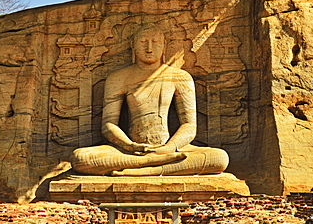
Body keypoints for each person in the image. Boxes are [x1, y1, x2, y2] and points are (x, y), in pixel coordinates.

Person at [71, 24, 229, 176]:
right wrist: (130, 146)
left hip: (169, 148)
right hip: (130, 150)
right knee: (80, 158)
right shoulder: (118, 78)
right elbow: (109, 124)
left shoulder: (180, 77)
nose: (149, 48)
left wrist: (169, 148)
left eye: (155, 42)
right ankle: (152, 163)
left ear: (164, 45)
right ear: (133, 46)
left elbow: (189, 125)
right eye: (142, 42)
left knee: (219, 158)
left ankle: (145, 170)